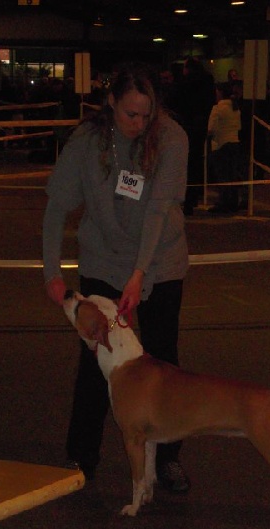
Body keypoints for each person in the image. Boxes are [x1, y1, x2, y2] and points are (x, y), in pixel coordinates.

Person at [42, 62, 191, 493]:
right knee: (95, 363)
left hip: (160, 262)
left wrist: (139, 274)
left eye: (147, 114)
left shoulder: (172, 138)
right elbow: (56, 207)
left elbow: (159, 211)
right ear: (111, 102)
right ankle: (81, 456)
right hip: (103, 261)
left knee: (163, 364)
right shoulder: (87, 141)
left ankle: (168, 458)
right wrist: (52, 272)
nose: (139, 124)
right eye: (130, 114)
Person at [173, 57, 216, 215]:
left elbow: (176, 102)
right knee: (196, 162)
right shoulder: (207, 81)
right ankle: (193, 197)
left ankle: (186, 199)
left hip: (186, 126)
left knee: (185, 163)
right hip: (200, 127)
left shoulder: (184, 84)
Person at [207, 82, 244, 214]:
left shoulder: (217, 108)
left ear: (220, 93)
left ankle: (223, 202)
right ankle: (233, 202)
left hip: (221, 144)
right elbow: (239, 127)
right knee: (232, 175)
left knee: (222, 176)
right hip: (234, 142)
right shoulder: (236, 108)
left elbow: (211, 128)